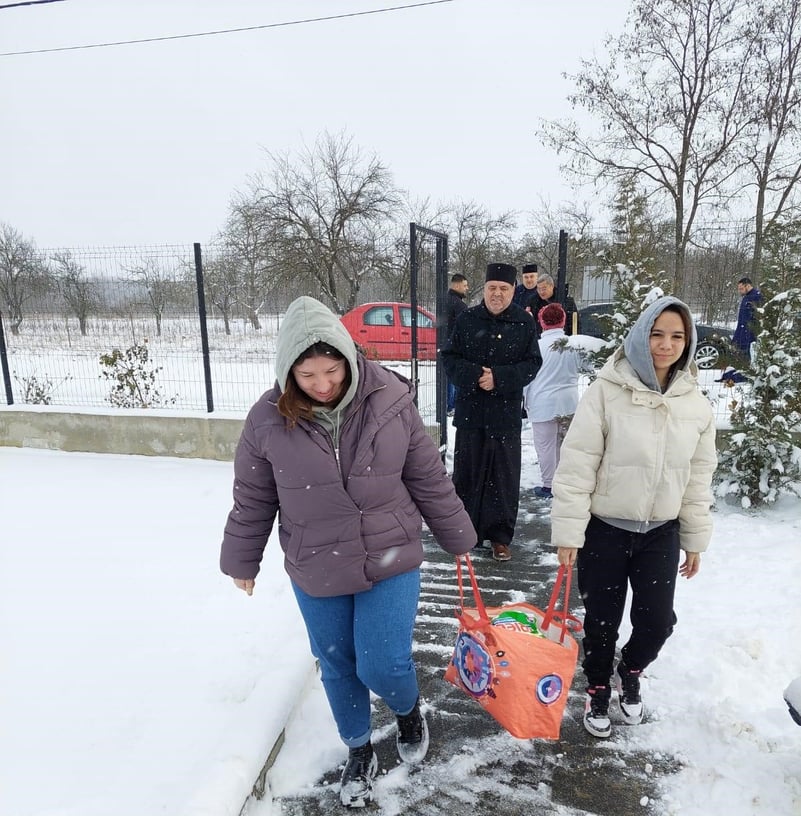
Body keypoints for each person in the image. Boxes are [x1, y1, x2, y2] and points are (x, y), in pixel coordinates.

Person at [219, 296, 476, 808]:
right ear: (287, 371)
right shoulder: (267, 419)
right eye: (307, 374)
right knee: (337, 664)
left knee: (383, 664)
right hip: (316, 563)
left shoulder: (389, 399)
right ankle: (358, 749)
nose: (322, 384)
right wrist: (242, 560)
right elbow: (253, 497)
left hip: (390, 554)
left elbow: (427, 476)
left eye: (332, 370)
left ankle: (407, 711)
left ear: (348, 356)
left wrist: (459, 538)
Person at [550, 296, 717, 739]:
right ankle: (598, 685)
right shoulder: (607, 392)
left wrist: (695, 539)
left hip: (661, 532)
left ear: (688, 341)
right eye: (657, 334)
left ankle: (631, 670)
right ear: (641, 337)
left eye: (677, 336)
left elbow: (698, 476)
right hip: (605, 529)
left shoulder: (694, 403)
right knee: (601, 620)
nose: (666, 344)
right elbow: (578, 463)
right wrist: (569, 532)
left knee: (657, 622)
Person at [442, 262, 542, 562]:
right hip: (471, 413)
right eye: (492, 288)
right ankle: (466, 533)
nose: (497, 294)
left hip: (505, 414)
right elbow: (450, 358)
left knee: (503, 477)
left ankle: (500, 537)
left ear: (513, 290)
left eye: (504, 289)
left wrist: (499, 377)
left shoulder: (524, 323)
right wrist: (475, 375)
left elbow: (532, 364)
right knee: (467, 474)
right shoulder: (467, 319)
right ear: (484, 289)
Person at [522, 303, 589, 500]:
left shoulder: (536, 347)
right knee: (565, 446)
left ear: (541, 322)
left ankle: (549, 485)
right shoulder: (574, 346)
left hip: (542, 404)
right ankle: (565, 481)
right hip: (569, 402)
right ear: (564, 320)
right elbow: (588, 367)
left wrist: (524, 402)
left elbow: (527, 378)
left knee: (545, 447)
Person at [445, 273, 469, 415]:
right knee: (455, 377)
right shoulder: (459, 305)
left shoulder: (445, 301)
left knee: (448, 376)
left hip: (445, 343)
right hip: (456, 346)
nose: (467, 288)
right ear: (457, 285)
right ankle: (452, 405)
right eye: (465, 285)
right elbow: (465, 326)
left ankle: (448, 404)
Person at [732, 276, 761, 363]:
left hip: (749, 336)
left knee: (745, 360)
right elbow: (742, 319)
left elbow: (757, 317)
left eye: (741, 288)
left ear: (748, 286)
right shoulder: (746, 297)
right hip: (742, 334)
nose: (739, 291)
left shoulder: (756, 297)